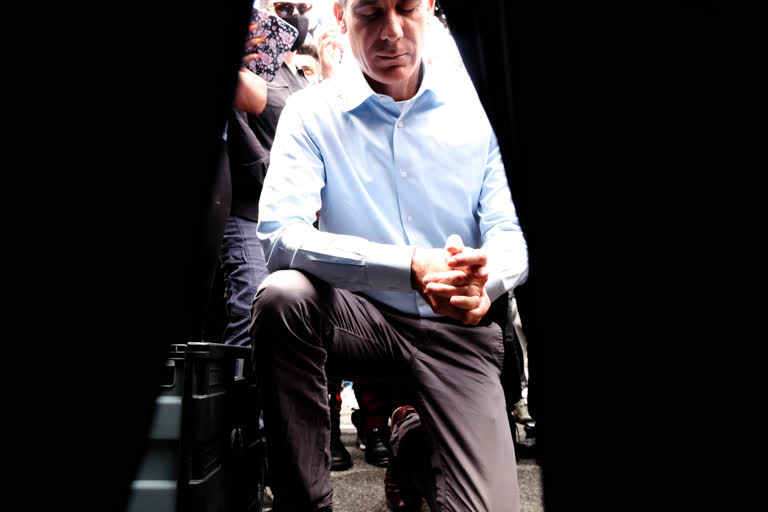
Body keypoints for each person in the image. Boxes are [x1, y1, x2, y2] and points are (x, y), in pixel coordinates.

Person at [250, 0, 528, 511]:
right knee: (282, 297)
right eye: (371, 13)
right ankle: (304, 504)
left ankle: (413, 442)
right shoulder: (312, 112)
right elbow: (279, 234)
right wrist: (409, 266)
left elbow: (511, 232)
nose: (391, 32)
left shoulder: (479, 109)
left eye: (405, 9)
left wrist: (481, 281)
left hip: (457, 329)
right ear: (340, 15)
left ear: (429, 10)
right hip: (363, 320)